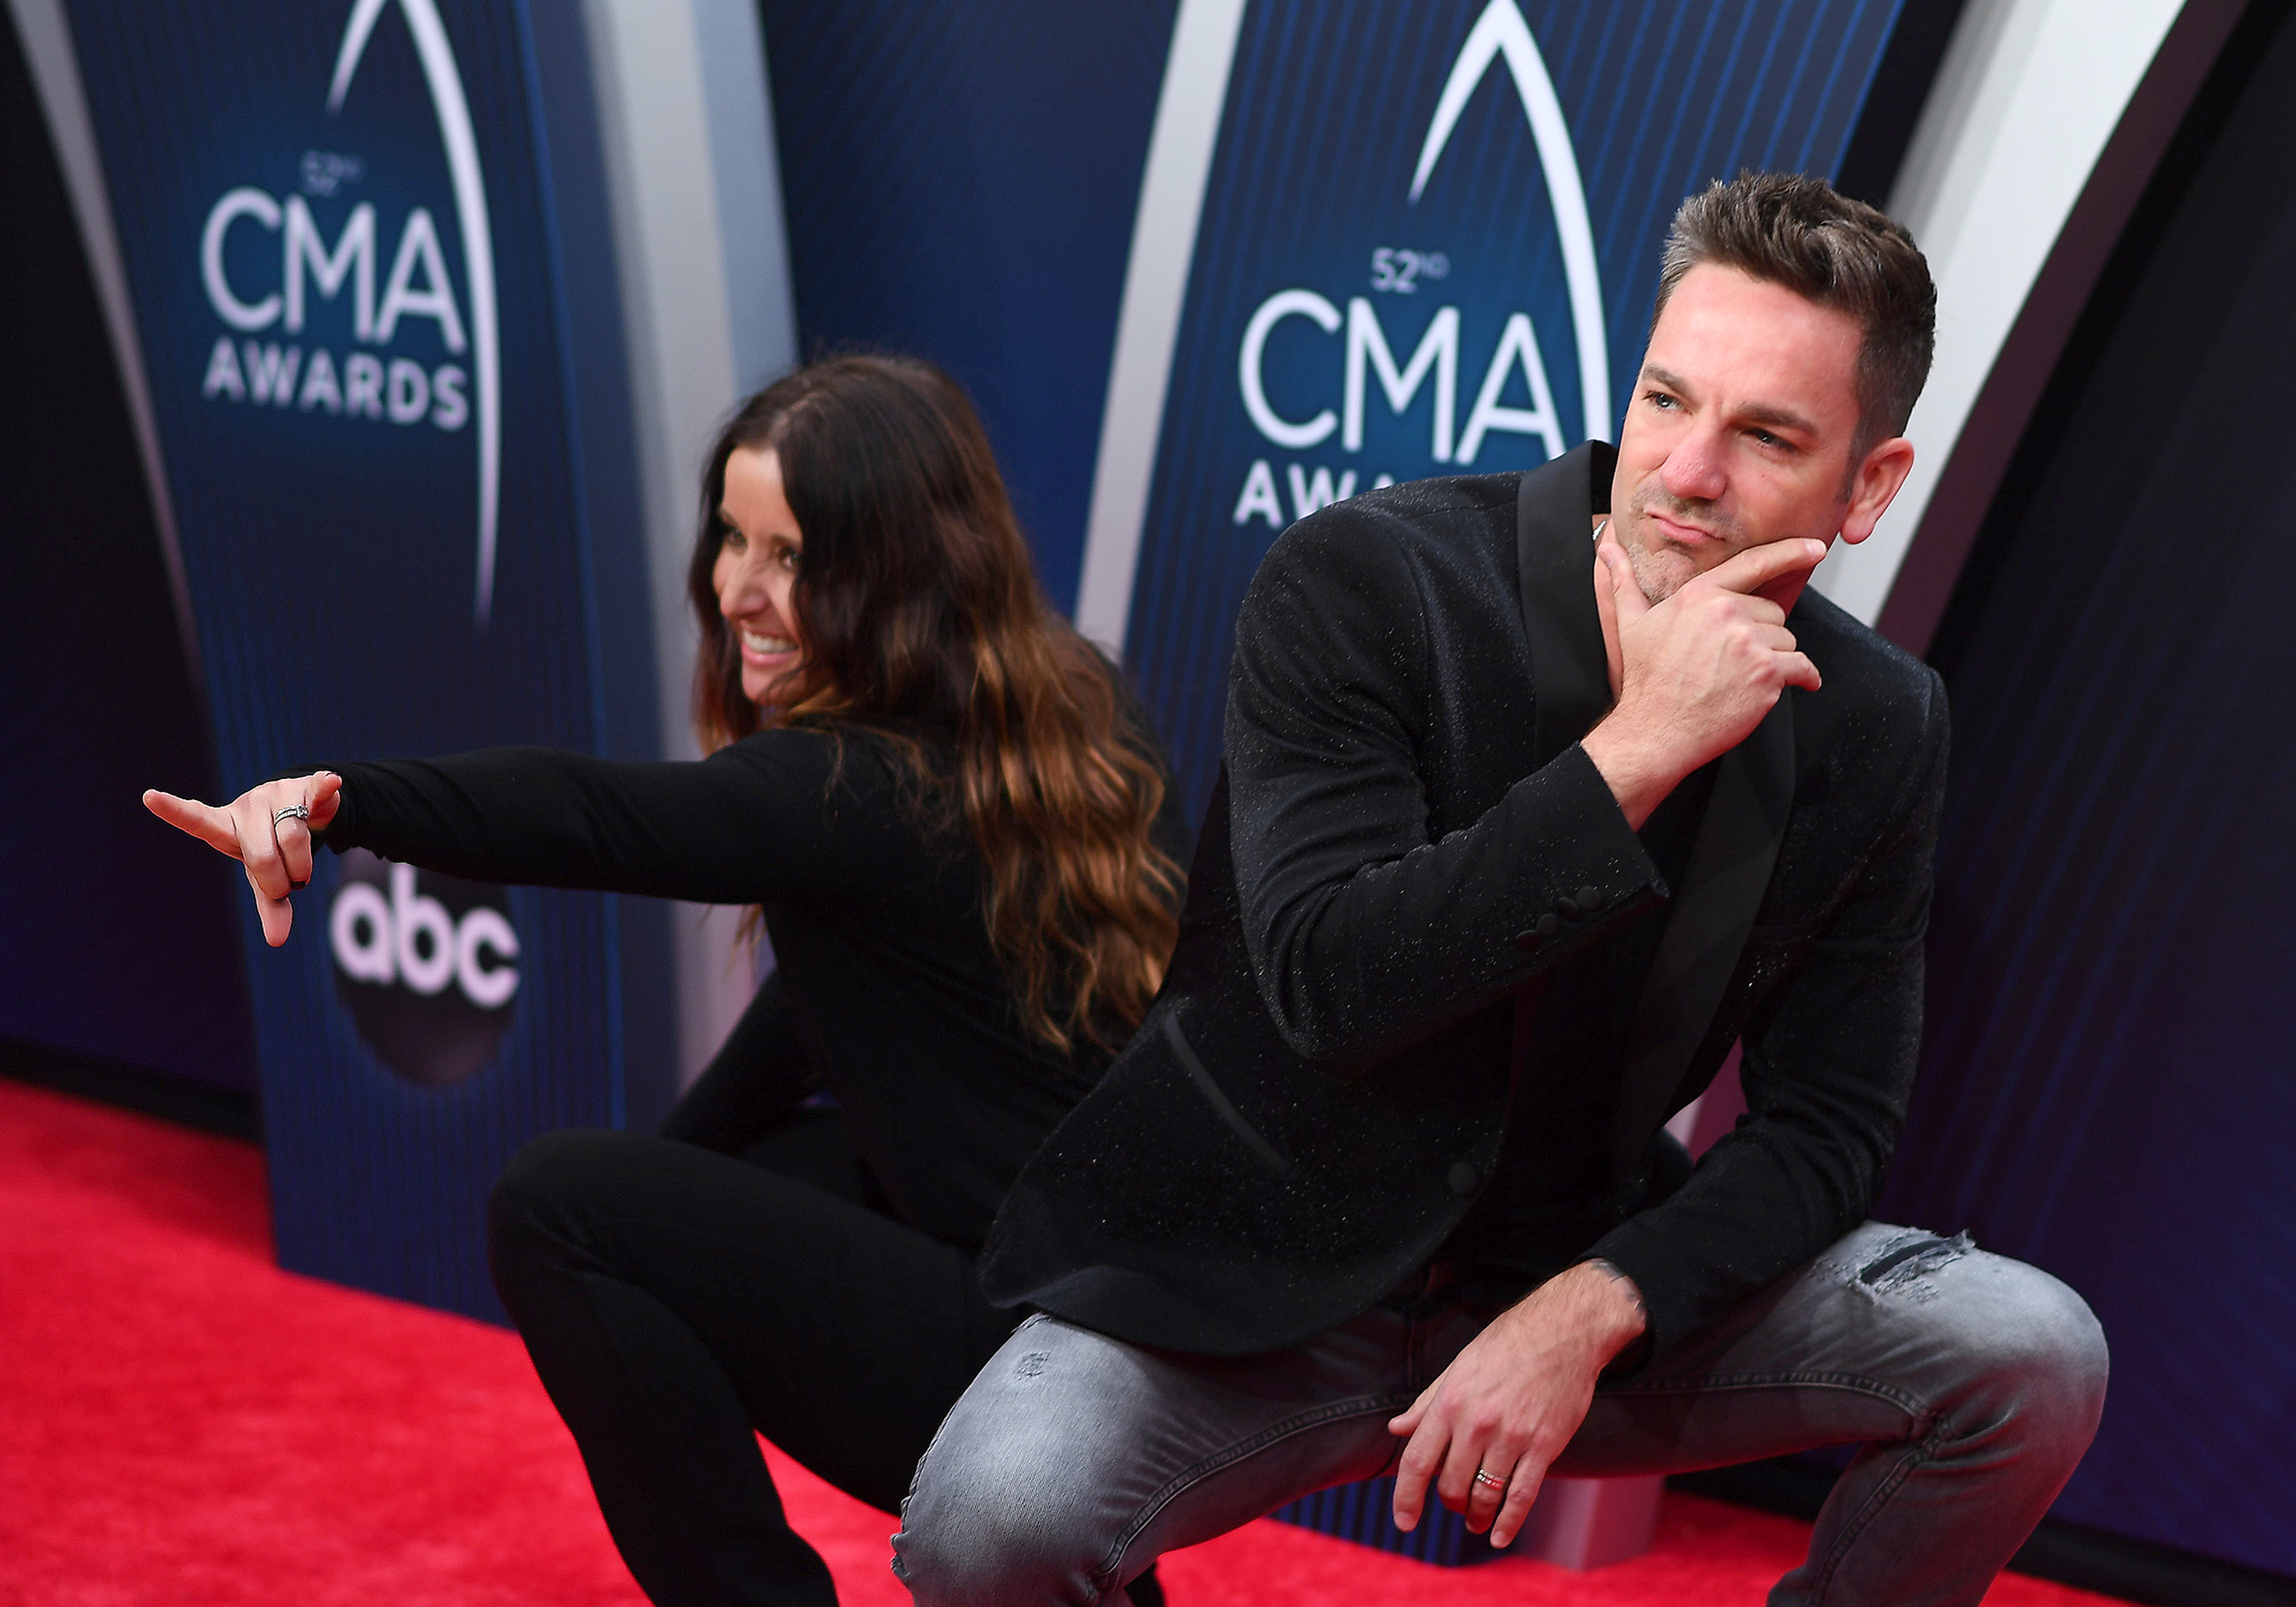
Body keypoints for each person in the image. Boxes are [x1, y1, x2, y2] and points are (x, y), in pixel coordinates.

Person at [890, 176, 2109, 1607]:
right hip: (1244, 1273)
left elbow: (1830, 1124)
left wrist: (1596, 1305)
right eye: (1666, 399)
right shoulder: (1368, 580)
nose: (1686, 471)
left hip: (1568, 1278)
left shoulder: (1880, 720)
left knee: (2032, 1354)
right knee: (988, 1521)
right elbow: (1332, 986)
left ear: (1870, 485)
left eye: (1767, 434)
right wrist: (1638, 749)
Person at [145, 355, 1189, 1607]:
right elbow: (827, 1008)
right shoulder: (1068, 705)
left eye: (792, 556)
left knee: (556, 1206)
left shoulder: (846, 788)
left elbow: (592, 817)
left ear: (893, 570)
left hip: (1036, 1377)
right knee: (709, 1182)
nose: (737, 588)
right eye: (733, 537)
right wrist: (673, 1179)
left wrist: (339, 802)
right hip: (1115, 1330)